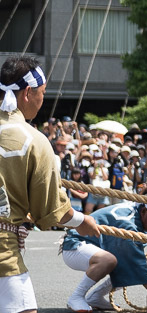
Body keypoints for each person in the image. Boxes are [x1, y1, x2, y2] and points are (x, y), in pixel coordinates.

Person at [1, 56, 100, 313]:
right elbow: (50, 209)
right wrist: (83, 222)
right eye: (42, 93)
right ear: (27, 93)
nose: (42, 99)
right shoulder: (31, 140)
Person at [62, 201, 147, 312]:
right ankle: (76, 296)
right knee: (109, 260)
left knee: (123, 264)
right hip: (74, 246)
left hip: (90, 246)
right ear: (144, 211)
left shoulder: (135, 212)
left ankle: (95, 297)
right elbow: (135, 263)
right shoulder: (128, 223)